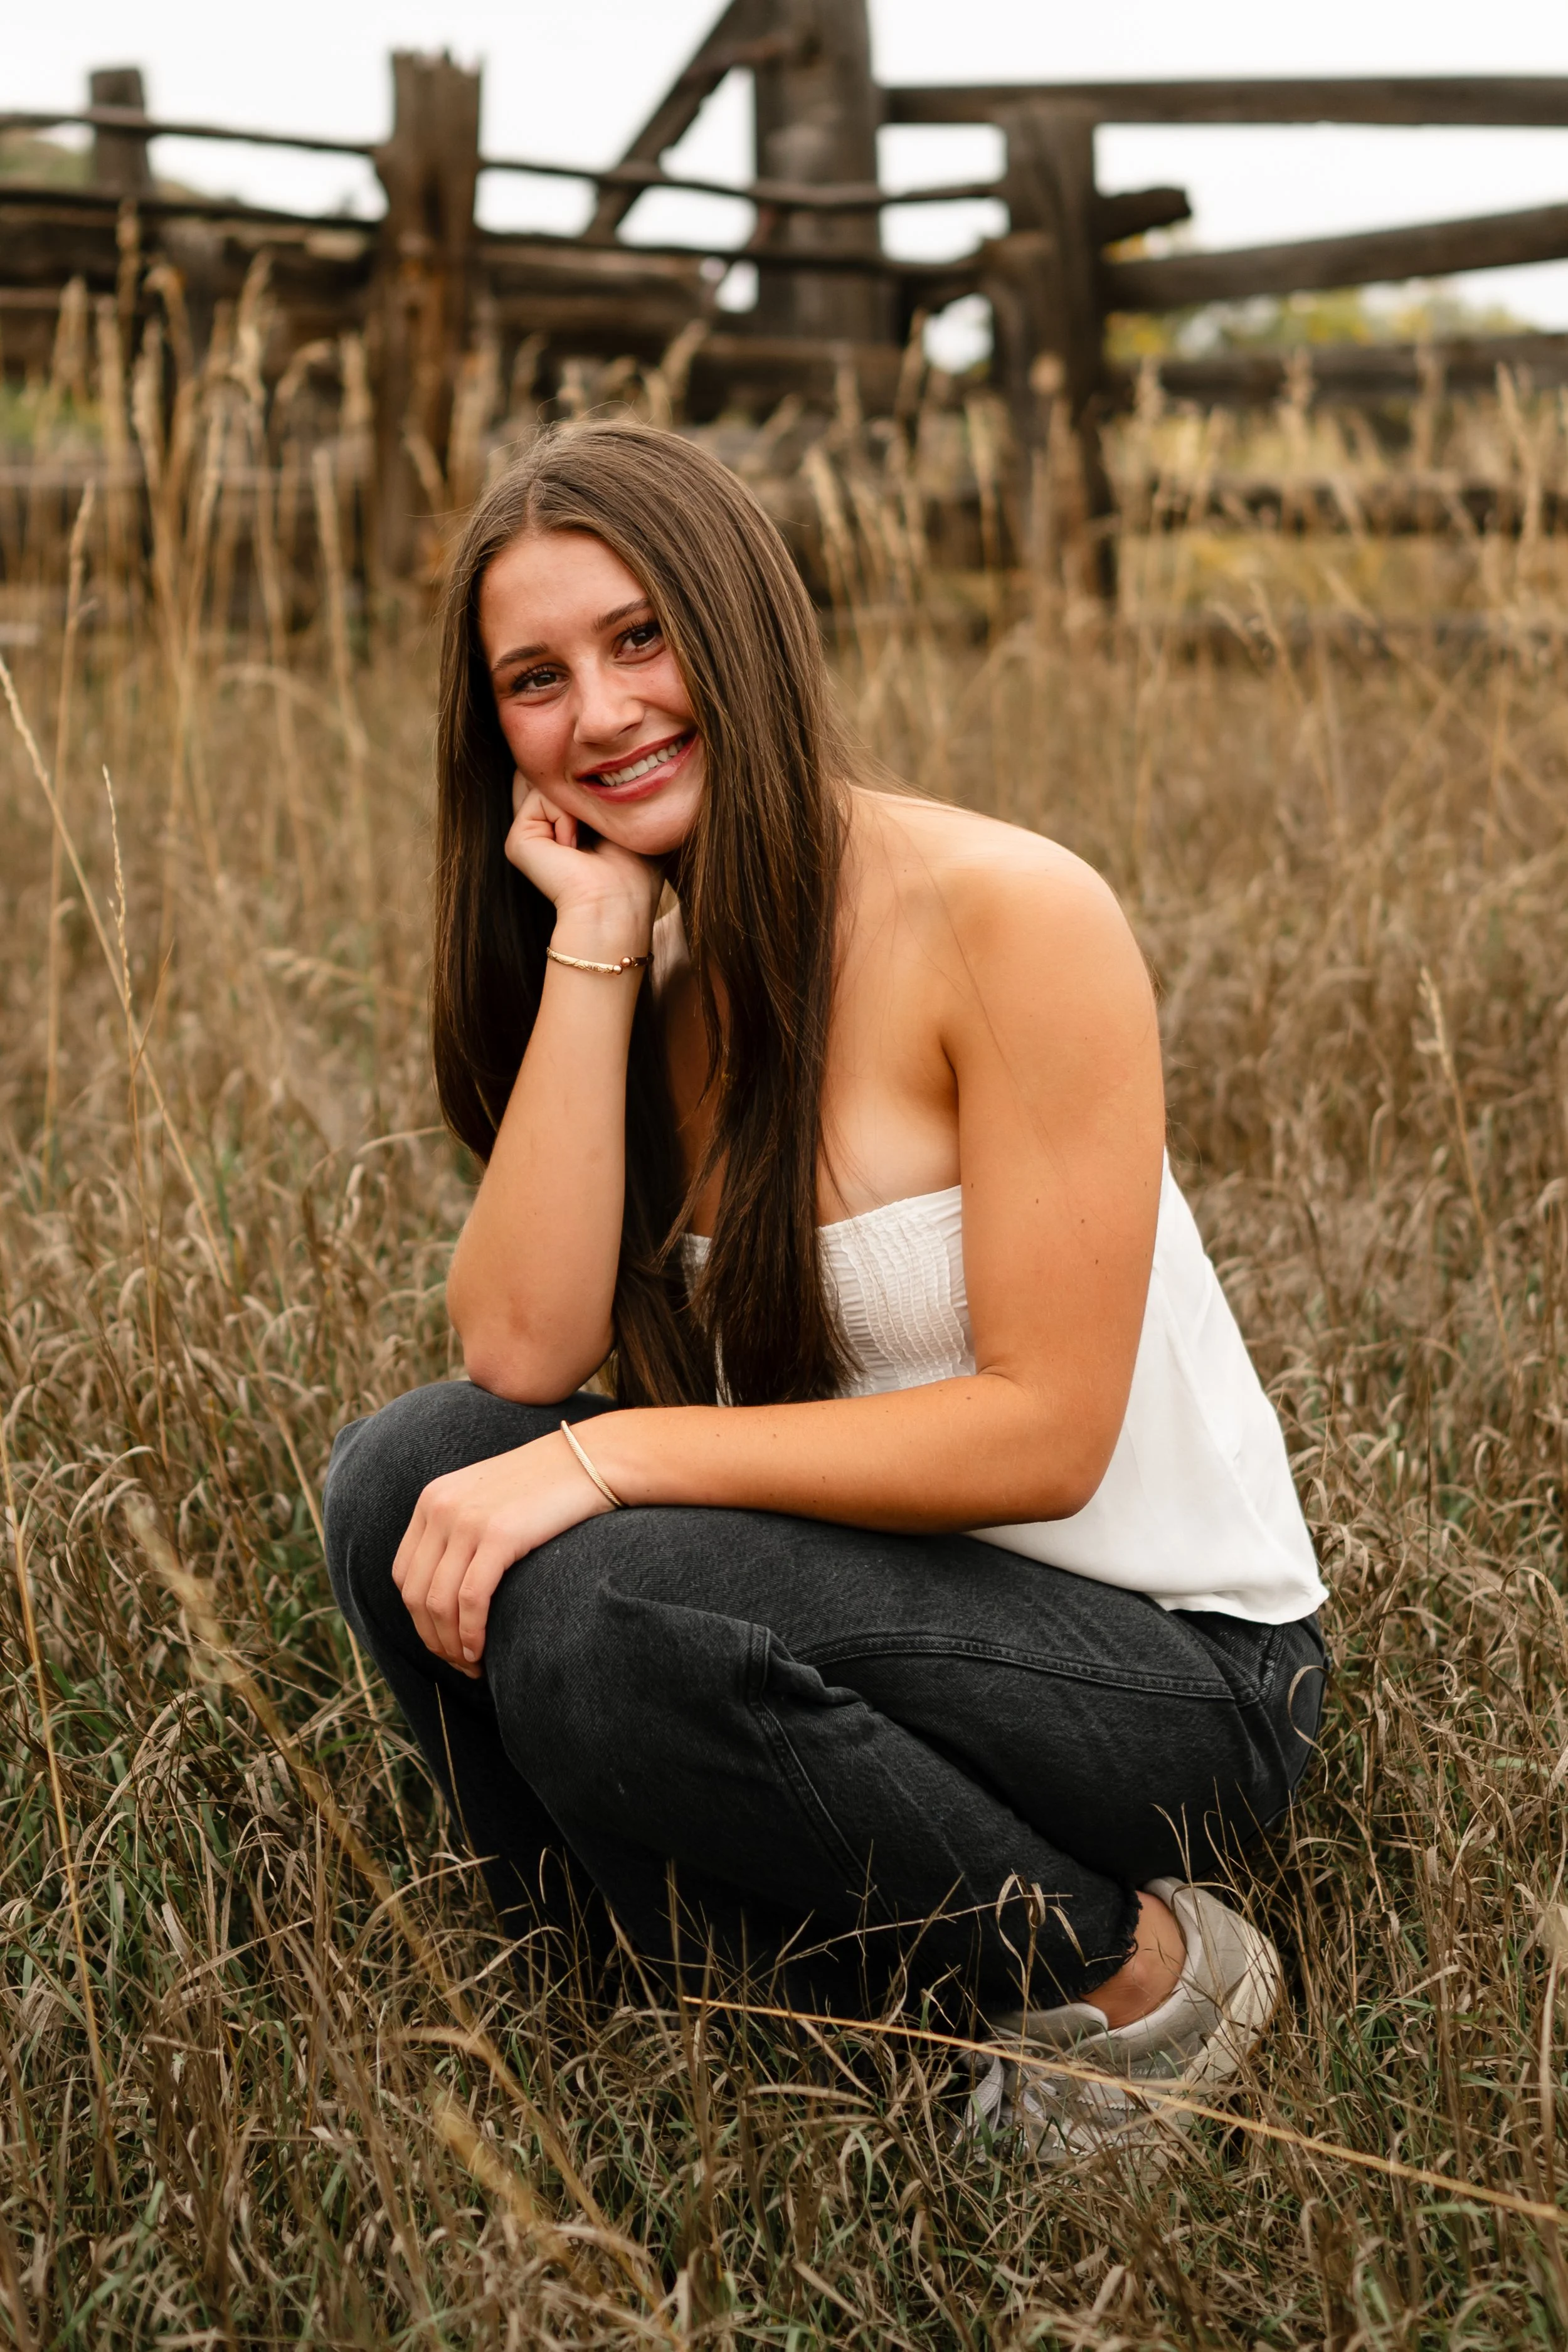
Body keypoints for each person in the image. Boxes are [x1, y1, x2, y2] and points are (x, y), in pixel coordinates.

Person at [324, 420, 1327, 2168]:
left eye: (643, 636)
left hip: (1167, 1672)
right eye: (534, 678)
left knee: (601, 1596)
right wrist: (594, 945)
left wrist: (608, 1459)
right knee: (399, 1476)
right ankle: (697, 2003)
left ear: (744, 623)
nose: (603, 711)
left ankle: (1133, 1979)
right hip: (868, 1618)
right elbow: (520, 1346)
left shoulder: (1004, 912)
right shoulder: (652, 959)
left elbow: (1046, 1434)